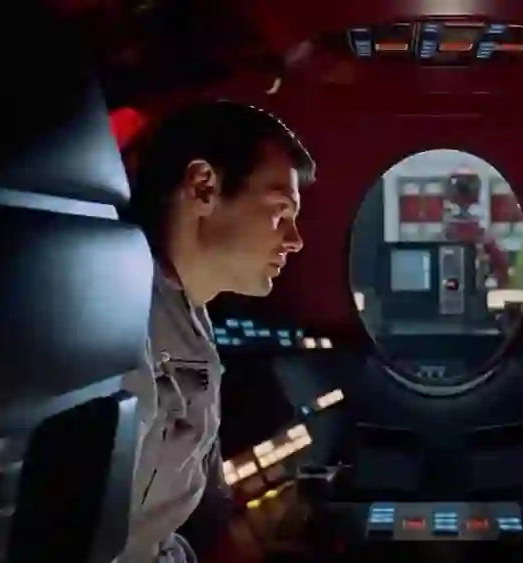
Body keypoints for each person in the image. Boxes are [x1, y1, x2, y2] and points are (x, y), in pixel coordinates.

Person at [116, 100, 314, 563]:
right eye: (279, 211)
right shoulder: (122, 319)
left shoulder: (189, 316)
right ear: (203, 187)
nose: (295, 240)